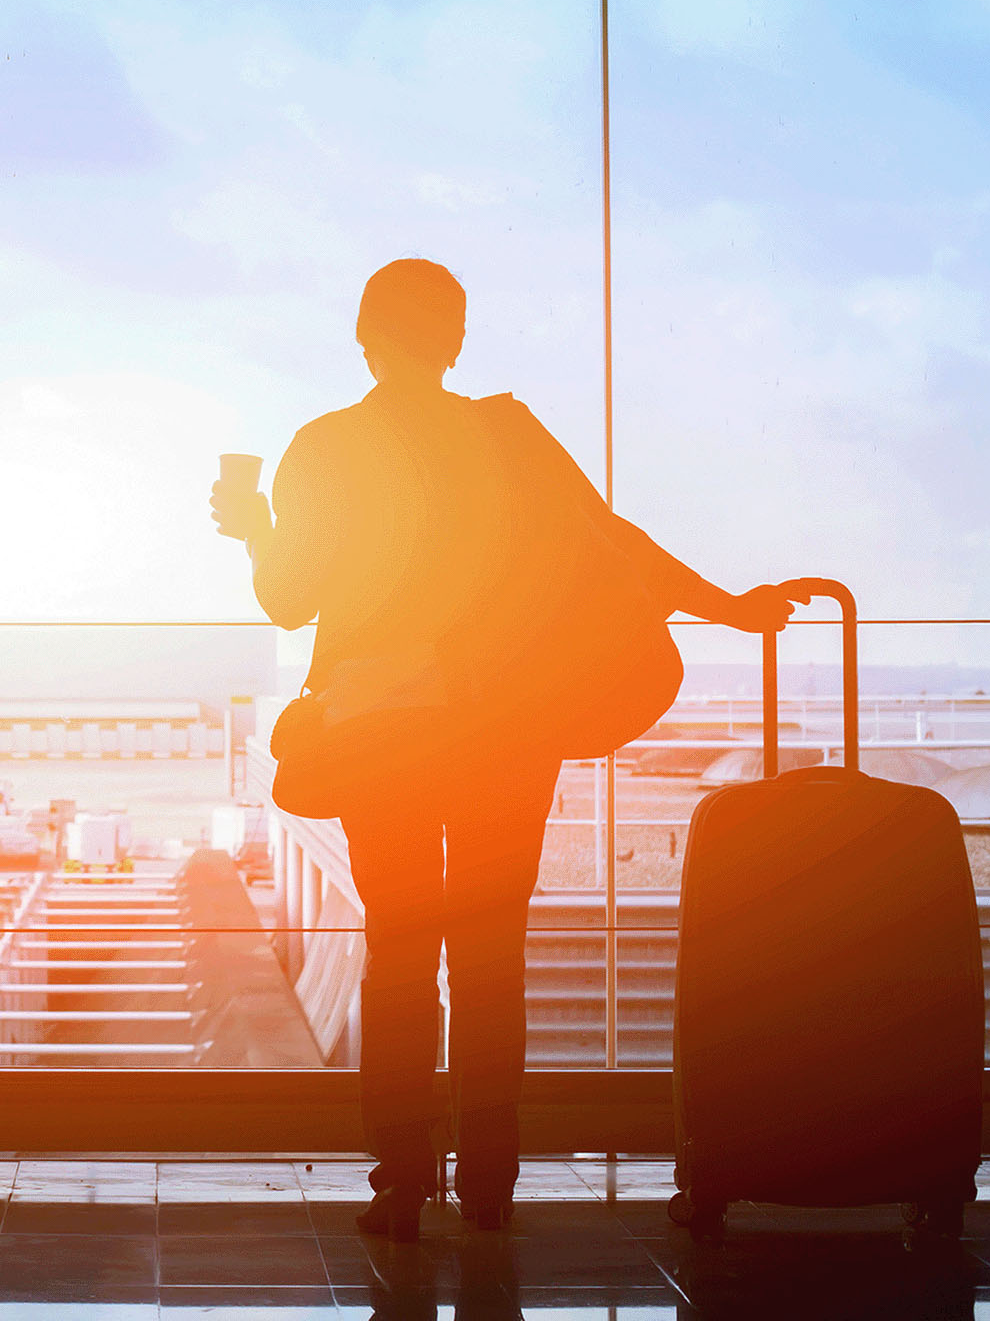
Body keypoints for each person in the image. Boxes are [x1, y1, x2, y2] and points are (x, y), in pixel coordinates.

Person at [210, 257, 791, 1237]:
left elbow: (287, 600)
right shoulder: (506, 439)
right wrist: (727, 608)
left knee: (398, 954)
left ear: (364, 336)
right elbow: (615, 543)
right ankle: (488, 1183)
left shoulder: (327, 445)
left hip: (382, 731)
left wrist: (252, 525)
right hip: (505, 731)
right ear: (456, 340)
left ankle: (400, 1185)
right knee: (489, 956)